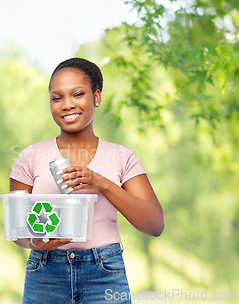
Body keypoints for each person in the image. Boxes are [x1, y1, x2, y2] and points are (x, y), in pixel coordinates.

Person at [10, 58, 164, 303]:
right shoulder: (30, 157)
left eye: (78, 94)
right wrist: (33, 241)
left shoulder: (121, 157)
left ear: (97, 97)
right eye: (56, 98)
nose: (67, 105)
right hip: (45, 273)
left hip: (105, 273)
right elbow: (17, 230)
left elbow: (154, 225)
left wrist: (102, 184)